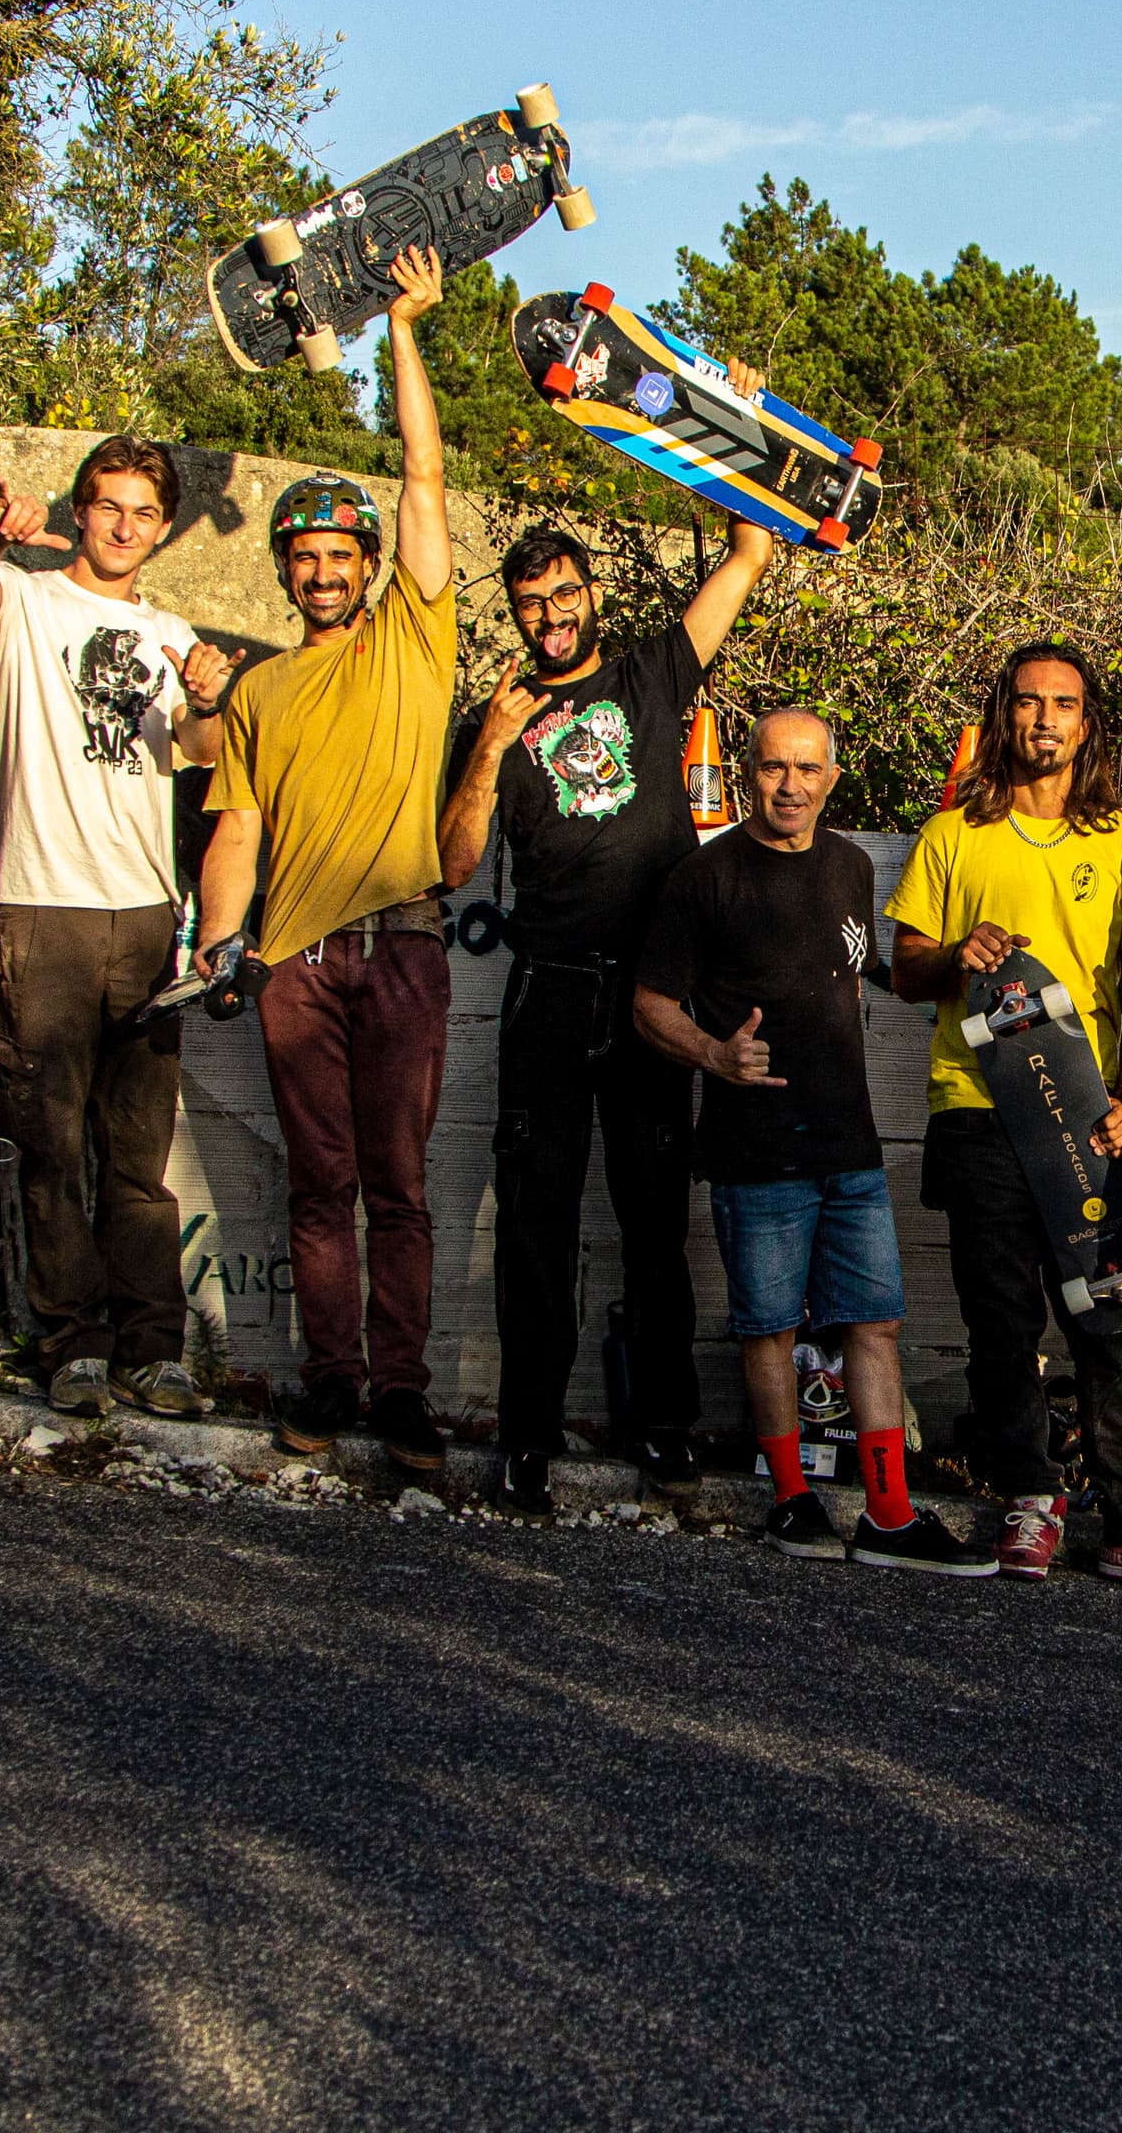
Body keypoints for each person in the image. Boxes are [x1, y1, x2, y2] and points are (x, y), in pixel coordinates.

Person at [442, 504, 781, 1511]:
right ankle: (529, 1436)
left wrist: (731, 445)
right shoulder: (493, 720)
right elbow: (455, 860)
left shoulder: (647, 675)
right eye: (529, 601)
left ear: (593, 595)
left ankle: (663, 1425)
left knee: (654, 1221)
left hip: (650, 995)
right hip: (549, 986)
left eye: (563, 593)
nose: (549, 614)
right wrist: (492, 742)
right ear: (514, 613)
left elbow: (748, 558)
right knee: (535, 1221)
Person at [193, 247, 461, 1474]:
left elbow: (420, 474)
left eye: (338, 549)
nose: (321, 566)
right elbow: (236, 827)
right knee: (319, 1189)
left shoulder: (414, 634)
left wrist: (402, 331)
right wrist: (218, 935)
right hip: (296, 965)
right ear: (287, 570)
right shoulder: (262, 691)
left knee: (397, 1188)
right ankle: (334, 1384)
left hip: (402, 947)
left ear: (365, 560)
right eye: (301, 555)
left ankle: (403, 1393)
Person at [885, 643, 1122, 1596]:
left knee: (1111, 1325)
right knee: (1001, 1319)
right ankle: (1028, 1497)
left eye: (1062, 704)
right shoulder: (953, 835)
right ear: (1003, 716)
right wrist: (956, 957)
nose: (1043, 720)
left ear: (1086, 723)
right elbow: (904, 971)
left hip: (1089, 1120)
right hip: (979, 1107)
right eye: (1027, 703)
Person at [635, 709, 991, 1572]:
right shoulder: (703, 878)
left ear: (833, 777)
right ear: (749, 774)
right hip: (753, 1150)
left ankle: (889, 1514)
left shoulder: (852, 867)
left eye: (806, 769)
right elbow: (649, 1005)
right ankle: (790, 1501)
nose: (789, 785)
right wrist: (716, 1054)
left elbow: (864, 968)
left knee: (874, 1324)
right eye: (770, 769)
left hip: (849, 1146)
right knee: (767, 1330)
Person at [0, 435, 235, 1419]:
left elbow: (197, 751)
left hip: (146, 911)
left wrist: (205, 697)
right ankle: (73, 1345)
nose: (123, 525)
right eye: (108, 505)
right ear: (78, 509)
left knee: (139, 1158)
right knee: (51, 1147)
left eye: (143, 512)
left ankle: (154, 1350)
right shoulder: (25, 598)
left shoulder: (168, 628)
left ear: (161, 527)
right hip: (42, 903)